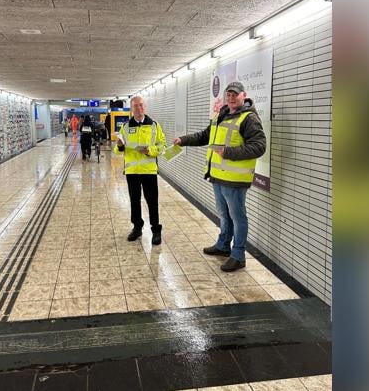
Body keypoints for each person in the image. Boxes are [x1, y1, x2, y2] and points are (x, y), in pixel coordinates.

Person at [173, 82, 266, 271]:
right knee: (224, 214)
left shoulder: (249, 119)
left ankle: (238, 255)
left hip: (235, 180)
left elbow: (259, 146)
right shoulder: (222, 114)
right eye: (228, 94)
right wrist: (183, 140)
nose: (231, 97)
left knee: (238, 217)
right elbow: (204, 136)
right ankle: (223, 245)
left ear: (244, 96)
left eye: (235, 94)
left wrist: (228, 152)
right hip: (217, 176)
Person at [114, 96, 167, 245]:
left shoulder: (154, 126)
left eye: (141, 105)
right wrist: (119, 146)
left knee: (152, 201)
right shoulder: (125, 127)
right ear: (131, 109)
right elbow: (117, 151)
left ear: (145, 107)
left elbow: (162, 146)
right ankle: (137, 227)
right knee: (134, 201)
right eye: (135, 106)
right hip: (132, 172)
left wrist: (150, 150)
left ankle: (156, 230)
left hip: (149, 171)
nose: (139, 108)